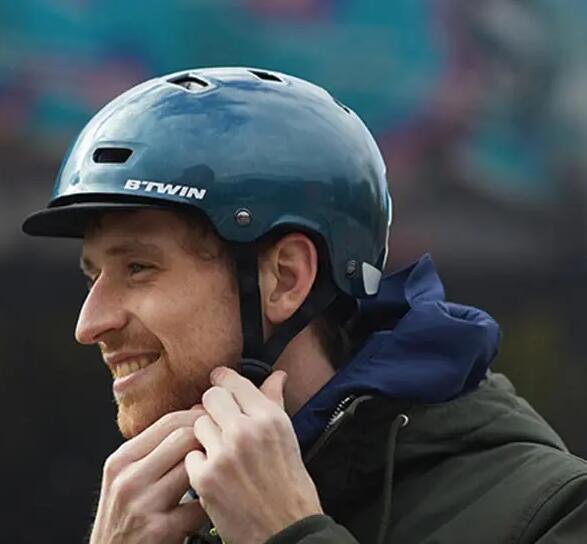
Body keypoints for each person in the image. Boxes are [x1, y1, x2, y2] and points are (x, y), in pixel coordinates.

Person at [23, 67, 587, 544]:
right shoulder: (157, 519)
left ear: (286, 279)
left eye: (138, 268)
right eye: (93, 276)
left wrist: (289, 535)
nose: (90, 324)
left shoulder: (553, 512)